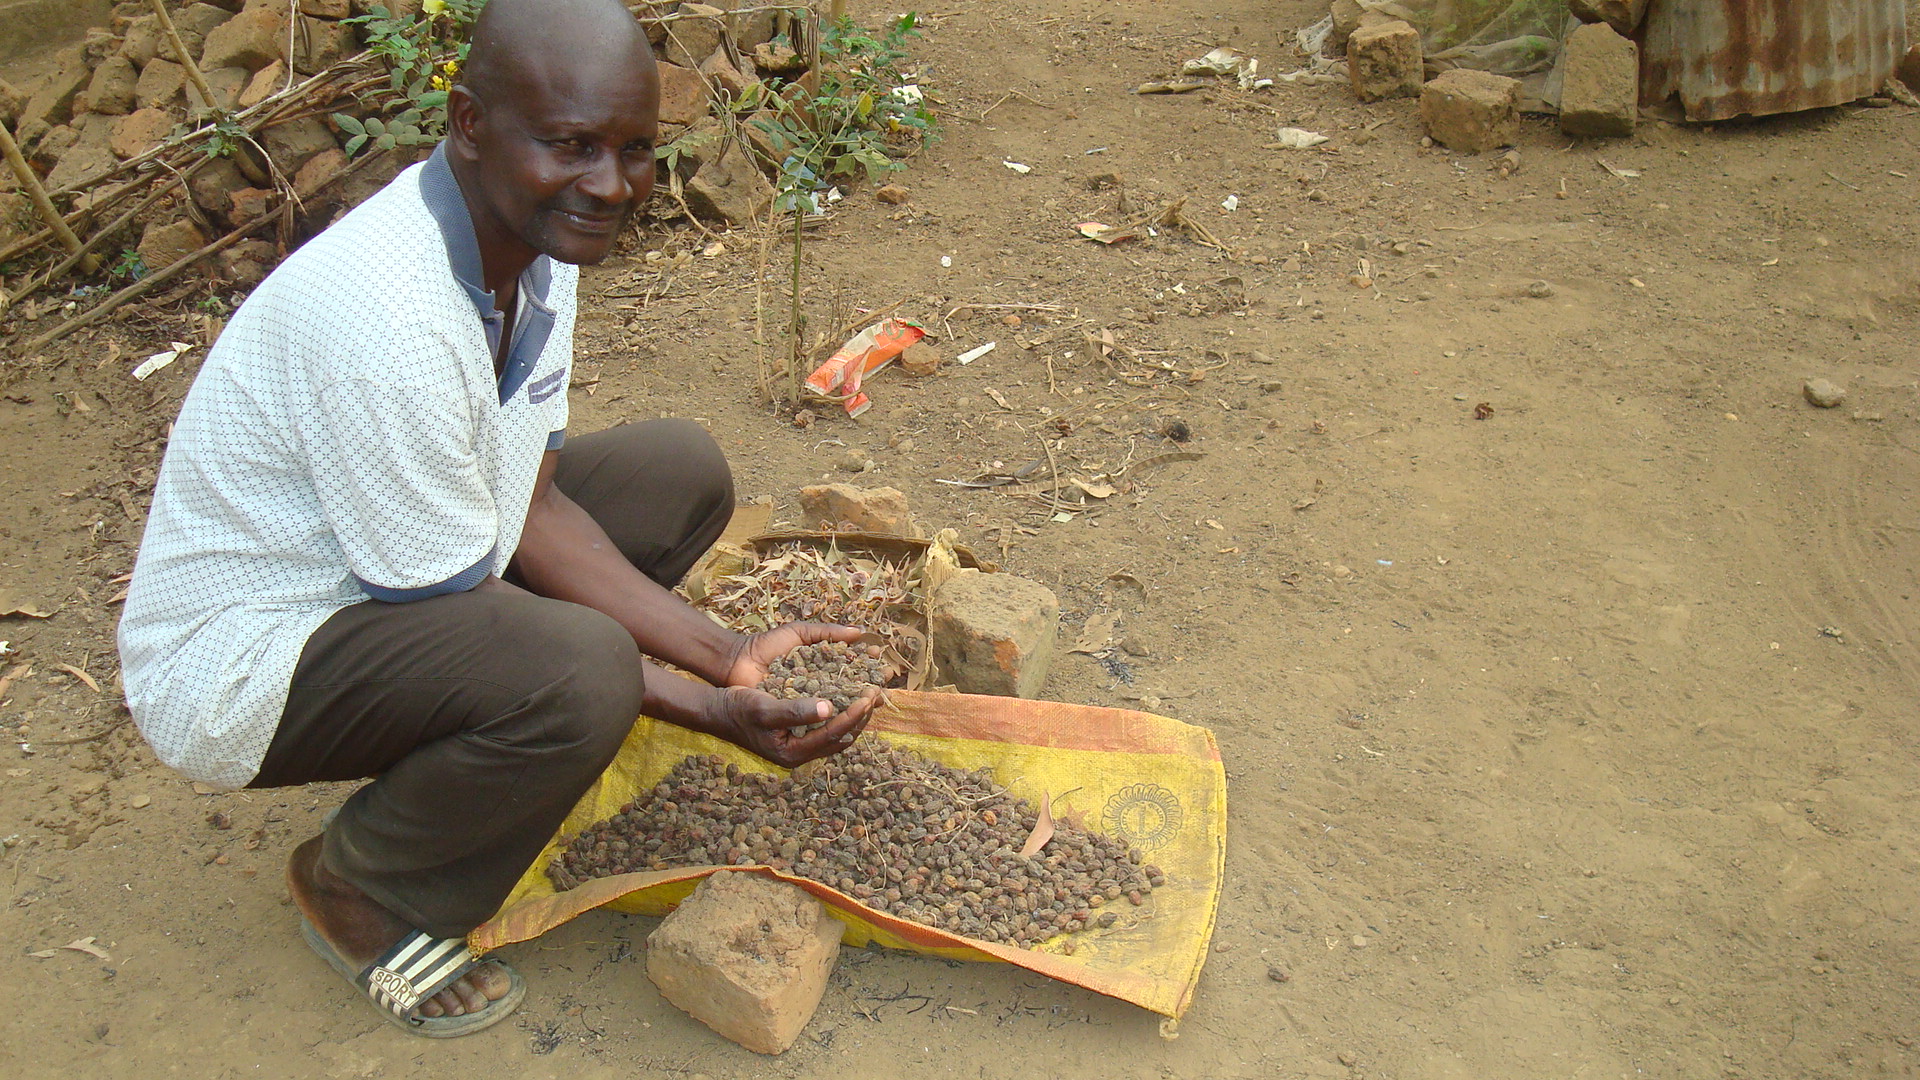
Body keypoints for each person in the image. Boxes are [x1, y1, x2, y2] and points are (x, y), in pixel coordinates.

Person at [116, 0, 876, 1037]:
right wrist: (705, 713)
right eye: (570, 146)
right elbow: (474, 594)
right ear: (468, 123)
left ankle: (480, 752)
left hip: (388, 569)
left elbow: (531, 502)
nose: (610, 185)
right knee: (583, 670)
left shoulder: (535, 246)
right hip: (241, 657)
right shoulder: (387, 319)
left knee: (676, 471)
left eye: (634, 150)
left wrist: (731, 656)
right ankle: (361, 889)